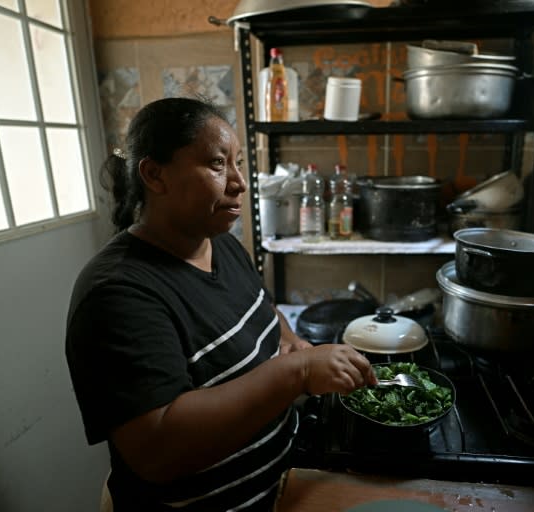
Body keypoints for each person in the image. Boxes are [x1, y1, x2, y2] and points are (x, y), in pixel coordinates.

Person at [65, 97, 377, 512]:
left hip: (282, 488)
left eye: (239, 162)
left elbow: (264, 310)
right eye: (216, 164)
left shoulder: (222, 246)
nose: (239, 182)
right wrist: (298, 372)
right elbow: (157, 450)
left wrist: (292, 341)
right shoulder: (117, 293)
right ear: (155, 175)